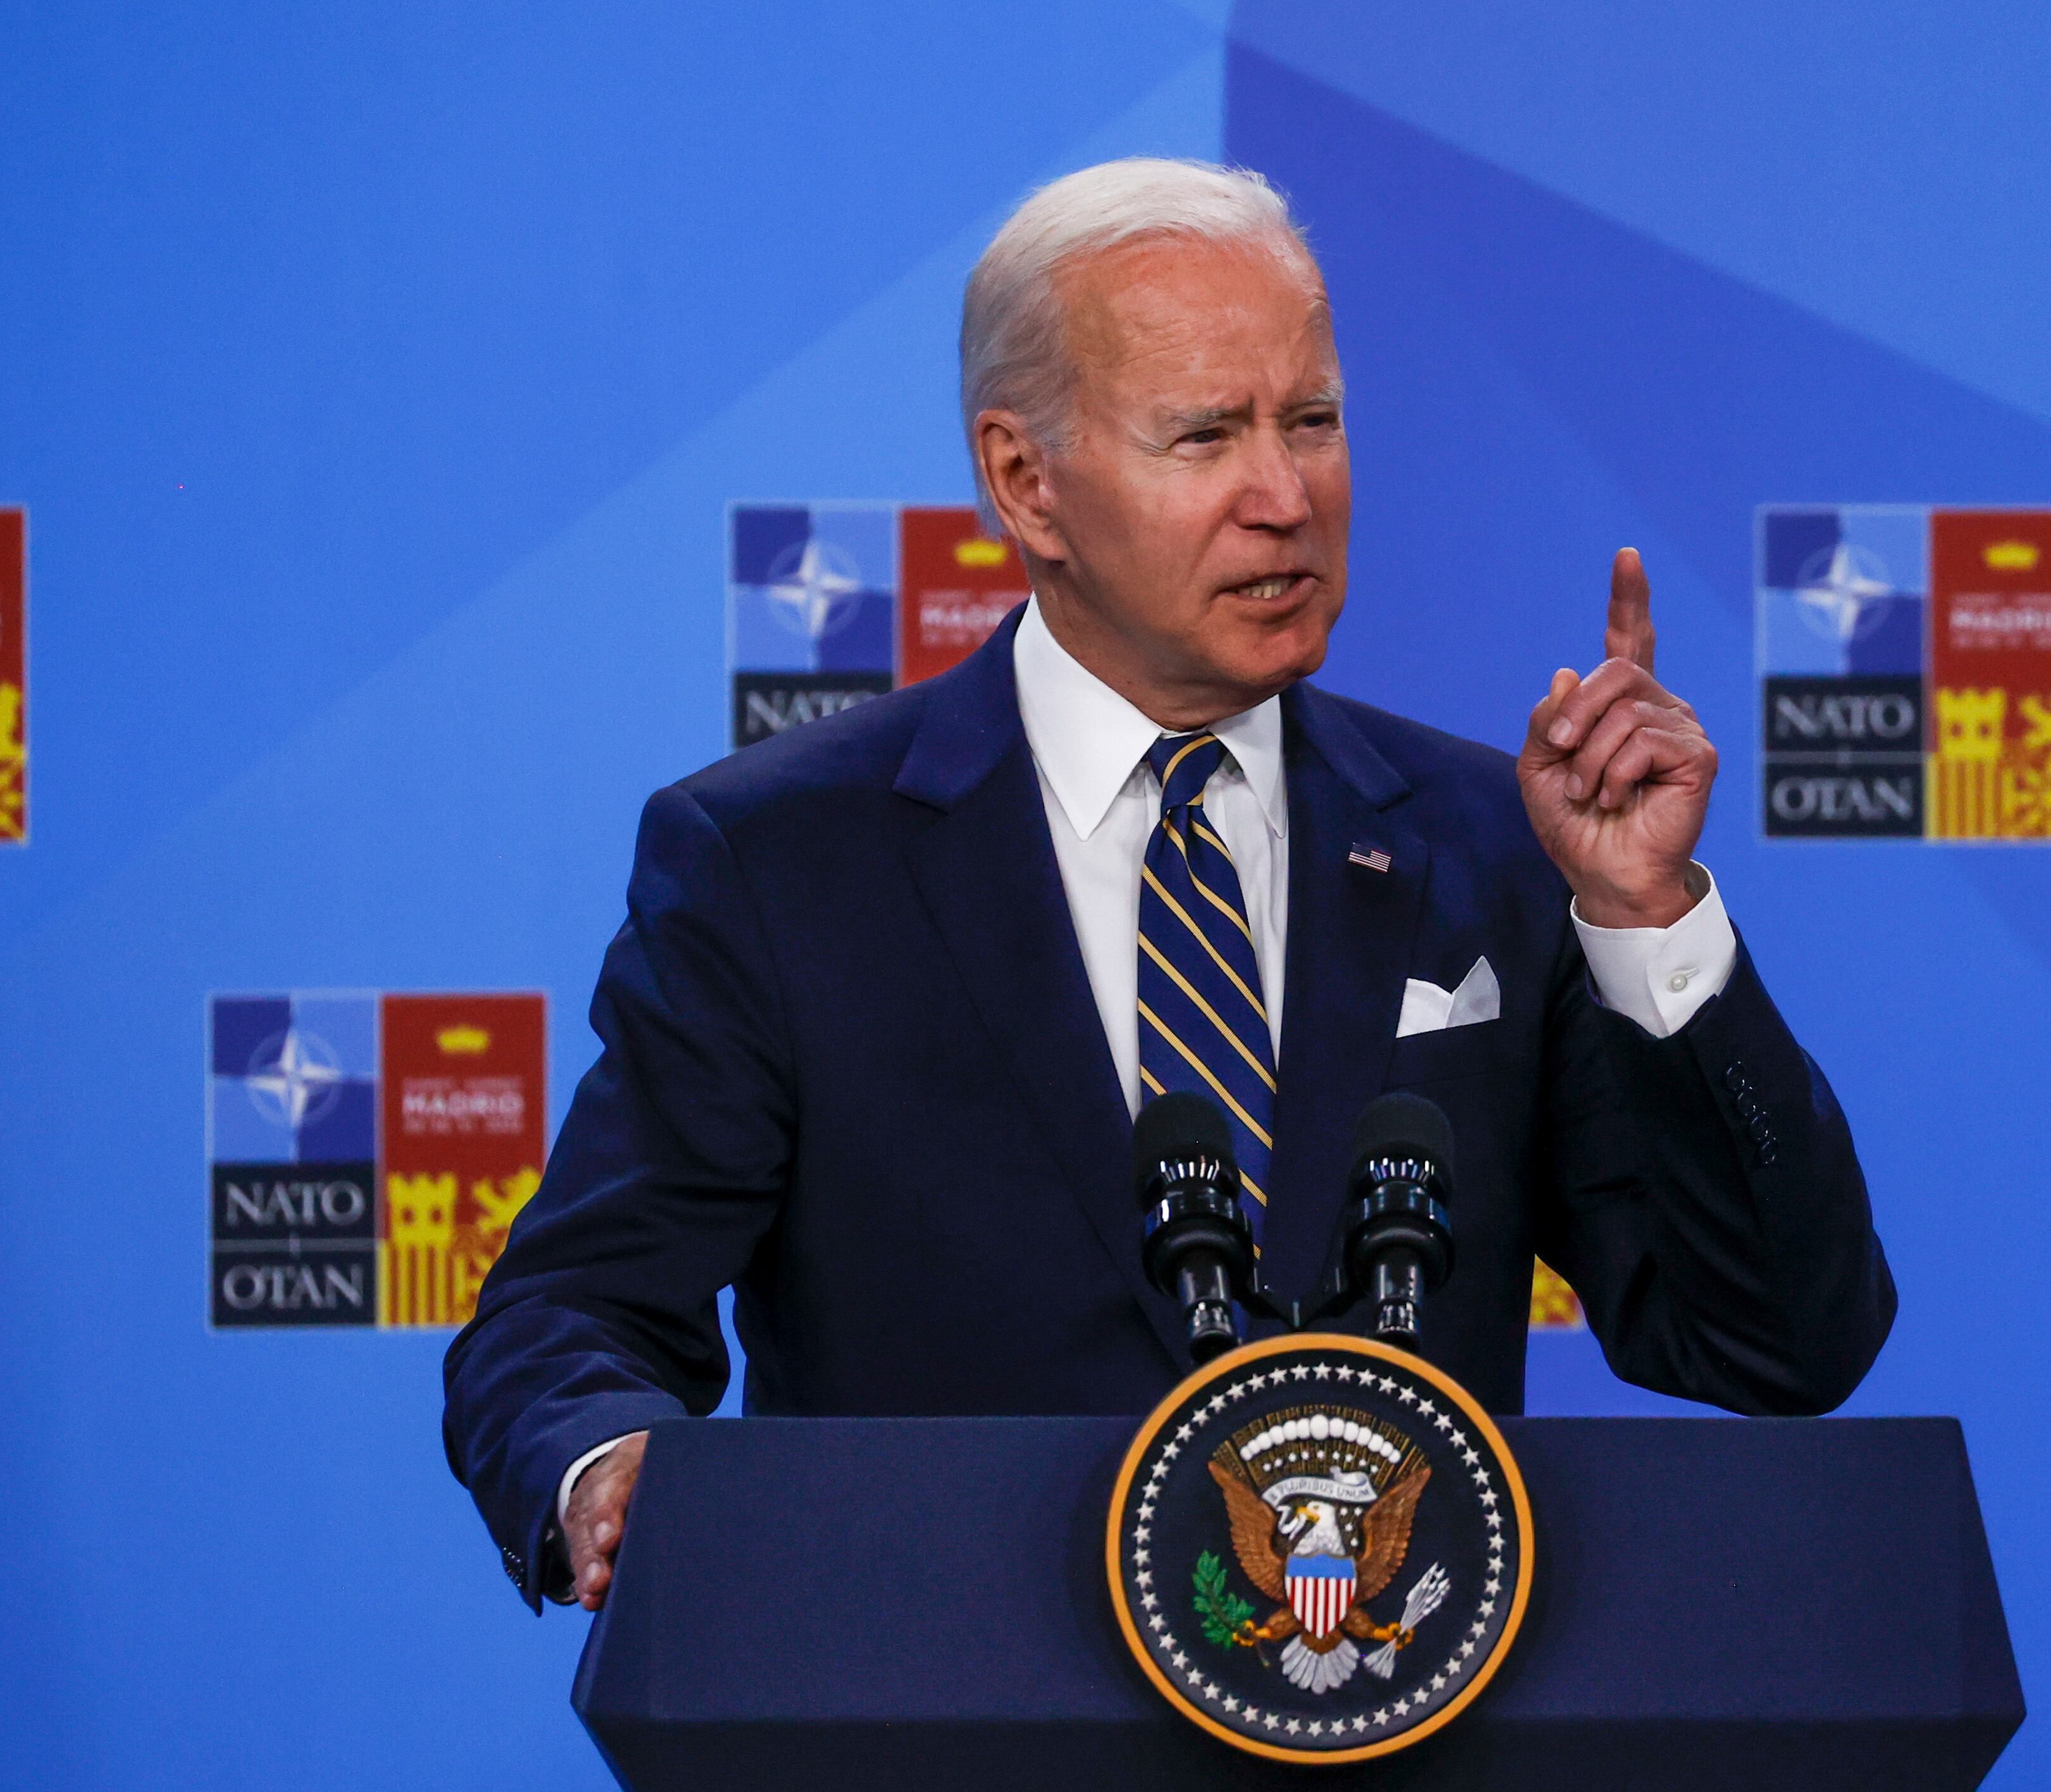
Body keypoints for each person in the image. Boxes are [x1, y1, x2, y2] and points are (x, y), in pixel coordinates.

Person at [443, 159, 1895, 1613]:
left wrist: (1646, 921)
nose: (1284, 497)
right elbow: (572, 1308)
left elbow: (1779, 1341)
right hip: (934, 1718)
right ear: (1025, 481)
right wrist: (604, 1461)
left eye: (1311, 422)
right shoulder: (779, 864)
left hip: (1393, 1724)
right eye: (1204, 436)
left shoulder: (1495, 844)